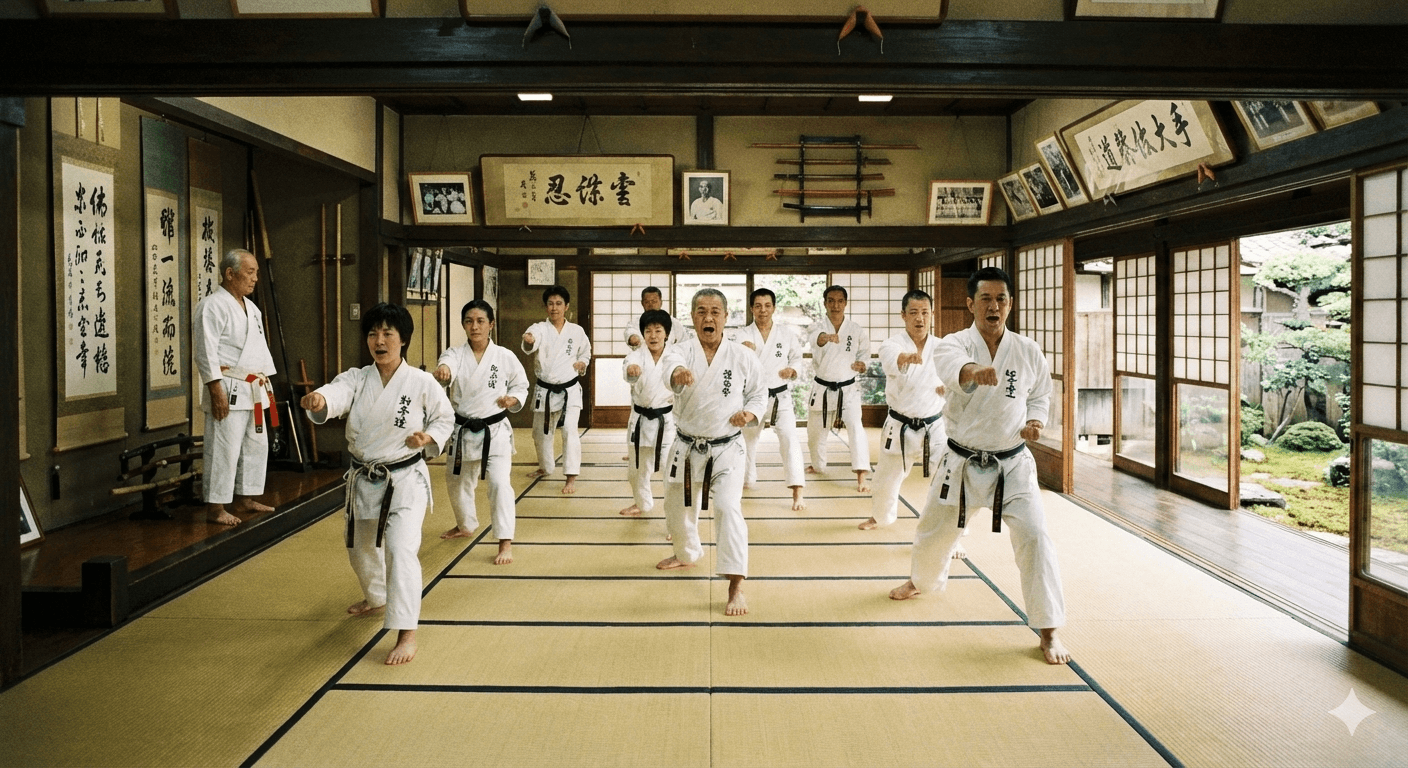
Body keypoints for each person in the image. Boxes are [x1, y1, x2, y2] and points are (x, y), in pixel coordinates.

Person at [889, 267, 1071, 665]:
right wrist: (975, 372)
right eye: (985, 299)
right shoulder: (953, 343)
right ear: (970, 304)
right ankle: (921, 581)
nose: (994, 306)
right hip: (962, 461)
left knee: (1037, 539)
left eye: (1001, 299)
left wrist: (1035, 420)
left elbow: (1040, 393)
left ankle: (1049, 628)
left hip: (1012, 462)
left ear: (1010, 304)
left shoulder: (1027, 349)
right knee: (934, 532)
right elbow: (956, 371)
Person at [301, 303, 455, 666]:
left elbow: (444, 418)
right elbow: (336, 394)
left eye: (388, 333)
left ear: (404, 340)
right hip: (365, 478)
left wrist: (428, 438)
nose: (379, 341)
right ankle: (376, 597)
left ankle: (406, 631)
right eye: (373, 334)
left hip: (405, 480)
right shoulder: (357, 378)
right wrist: (320, 400)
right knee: (360, 549)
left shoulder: (421, 381)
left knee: (400, 551)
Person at [656, 288, 765, 617]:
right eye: (701, 311)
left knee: (728, 508)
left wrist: (749, 414)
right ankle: (687, 553)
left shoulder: (742, 356)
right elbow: (670, 368)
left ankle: (736, 584)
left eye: (715, 311)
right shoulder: (681, 350)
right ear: (692, 317)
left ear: (726, 317)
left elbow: (758, 393)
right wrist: (676, 375)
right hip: (686, 445)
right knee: (675, 507)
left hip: (727, 446)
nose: (708, 317)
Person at [434, 300, 529, 566]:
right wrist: (444, 372)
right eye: (469, 321)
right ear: (463, 325)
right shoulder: (454, 354)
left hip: (495, 432)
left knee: (499, 484)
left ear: (491, 325)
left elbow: (521, 384)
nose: (474, 326)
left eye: (480, 321)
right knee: (457, 483)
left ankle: (505, 540)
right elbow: (446, 366)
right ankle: (465, 525)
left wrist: (513, 398)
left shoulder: (504, 356)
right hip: (463, 430)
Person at [193, 248, 278, 527]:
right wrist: (215, 389)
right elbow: (205, 351)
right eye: (250, 272)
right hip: (227, 386)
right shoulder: (211, 305)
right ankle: (215, 507)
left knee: (255, 445)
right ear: (230, 274)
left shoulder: (252, 309)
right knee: (223, 448)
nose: (255, 278)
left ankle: (245, 497)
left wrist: (266, 384)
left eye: (256, 273)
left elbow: (259, 351)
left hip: (253, 388)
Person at [861, 289, 946, 530]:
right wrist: (904, 359)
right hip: (900, 425)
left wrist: (948, 388)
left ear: (932, 315)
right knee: (886, 477)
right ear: (903, 315)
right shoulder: (892, 344)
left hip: (934, 425)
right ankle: (880, 517)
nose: (920, 318)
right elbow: (890, 359)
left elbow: (954, 374)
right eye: (914, 312)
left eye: (925, 313)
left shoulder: (942, 346)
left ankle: (951, 529)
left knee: (948, 477)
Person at [737, 288, 806, 511]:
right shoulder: (743, 334)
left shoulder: (786, 334)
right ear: (751, 309)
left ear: (774, 308)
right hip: (752, 397)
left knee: (789, 439)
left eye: (767, 305)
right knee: (746, 441)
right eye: (758, 306)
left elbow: (796, 358)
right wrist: (743, 350)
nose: (763, 310)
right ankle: (746, 480)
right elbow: (736, 359)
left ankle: (797, 490)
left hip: (780, 396)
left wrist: (792, 370)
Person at [521, 285, 591, 494]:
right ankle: (546, 467)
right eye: (550, 304)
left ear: (566, 306)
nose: (554, 308)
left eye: (559, 303)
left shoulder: (576, 331)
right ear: (546, 307)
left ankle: (571, 476)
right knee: (540, 432)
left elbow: (585, 353)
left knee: (569, 430)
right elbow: (531, 340)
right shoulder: (539, 328)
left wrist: (582, 363)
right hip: (545, 390)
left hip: (570, 390)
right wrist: (529, 340)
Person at [806, 285, 872, 492]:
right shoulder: (817, 326)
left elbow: (865, 354)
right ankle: (818, 465)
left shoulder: (855, 329)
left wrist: (862, 364)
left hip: (848, 388)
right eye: (831, 301)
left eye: (840, 301)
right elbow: (816, 339)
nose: (835, 305)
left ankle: (861, 474)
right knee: (815, 434)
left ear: (845, 303)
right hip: (822, 388)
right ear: (825, 303)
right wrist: (826, 337)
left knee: (856, 429)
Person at [619, 309, 676, 518]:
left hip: (667, 422)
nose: (653, 336)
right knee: (636, 470)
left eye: (658, 330)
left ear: (666, 334)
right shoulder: (635, 355)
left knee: (672, 472)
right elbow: (629, 367)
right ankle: (642, 504)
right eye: (648, 331)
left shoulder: (675, 356)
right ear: (642, 334)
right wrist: (631, 371)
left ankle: (675, 518)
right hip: (640, 420)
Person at [623, 286, 685, 351]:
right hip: (643, 356)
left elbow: (684, 342)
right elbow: (630, 332)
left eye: (654, 301)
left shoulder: (674, 322)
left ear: (661, 302)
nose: (650, 305)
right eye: (647, 302)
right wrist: (632, 338)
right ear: (642, 303)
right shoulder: (635, 322)